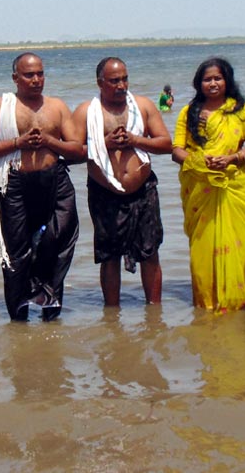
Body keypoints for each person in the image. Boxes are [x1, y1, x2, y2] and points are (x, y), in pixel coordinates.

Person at [0, 52, 85, 321]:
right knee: (17, 254)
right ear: (15, 78)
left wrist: (50, 141)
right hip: (15, 183)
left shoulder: (57, 106)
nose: (36, 80)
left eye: (40, 74)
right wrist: (17, 143)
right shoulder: (3, 106)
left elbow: (78, 151)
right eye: (29, 75)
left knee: (59, 241)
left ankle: (49, 309)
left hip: (54, 180)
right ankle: (19, 319)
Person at [72, 57, 172, 306]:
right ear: (100, 82)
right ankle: (112, 313)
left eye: (125, 79)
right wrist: (103, 144)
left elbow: (166, 144)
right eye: (114, 80)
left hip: (143, 190)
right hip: (104, 191)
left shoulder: (144, 106)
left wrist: (135, 140)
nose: (121, 85)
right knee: (109, 256)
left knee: (150, 252)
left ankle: (154, 313)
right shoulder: (86, 111)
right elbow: (71, 152)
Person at [172, 57, 245, 311]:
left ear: (227, 80)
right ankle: (207, 304)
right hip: (201, 189)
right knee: (203, 251)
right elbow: (176, 150)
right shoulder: (189, 113)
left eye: (218, 78)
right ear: (199, 83)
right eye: (207, 79)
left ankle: (242, 305)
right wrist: (200, 161)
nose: (212, 83)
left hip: (235, 186)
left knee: (244, 247)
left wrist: (233, 158)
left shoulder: (242, 110)